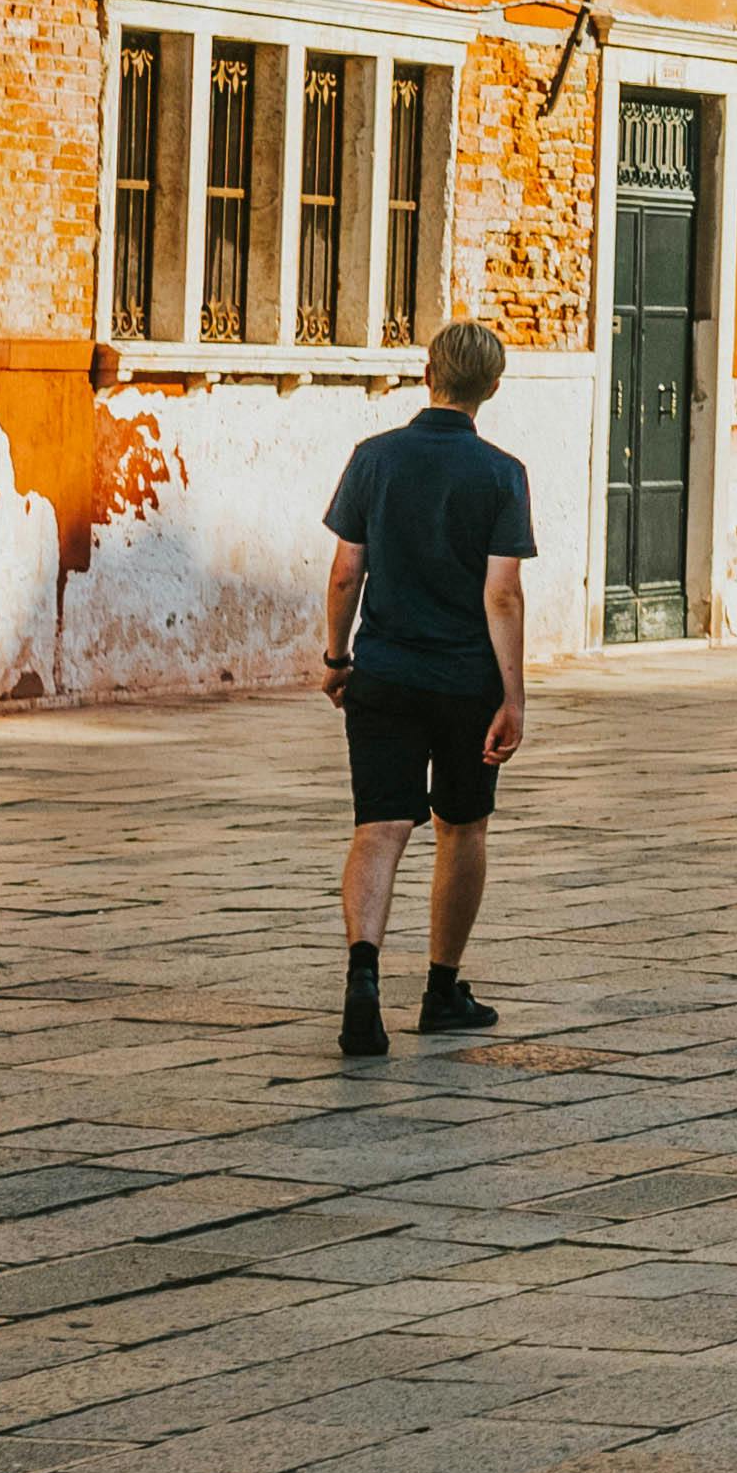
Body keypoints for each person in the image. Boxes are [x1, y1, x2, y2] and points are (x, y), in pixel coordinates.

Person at [318, 320, 535, 1060]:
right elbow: (501, 594)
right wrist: (514, 697)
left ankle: (363, 980)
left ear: (426, 372)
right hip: (464, 682)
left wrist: (337, 656)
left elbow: (347, 571)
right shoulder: (501, 473)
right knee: (462, 825)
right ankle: (442, 990)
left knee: (380, 825)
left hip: (382, 672)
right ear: (492, 387)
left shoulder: (373, 459)